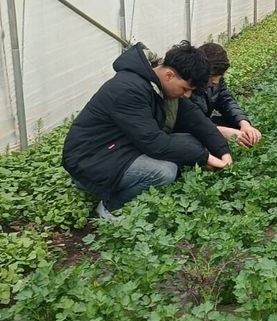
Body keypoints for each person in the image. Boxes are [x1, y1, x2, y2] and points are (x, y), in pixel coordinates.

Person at [62, 41, 232, 220]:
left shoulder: (157, 85)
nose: (187, 95)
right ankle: (110, 207)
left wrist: (223, 152)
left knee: (191, 141)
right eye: (185, 89)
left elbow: (197, 121)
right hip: (90, 160)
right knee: (164, 172)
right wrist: (204, 157)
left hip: (119, 147)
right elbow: (155, 143)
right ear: (169, 75)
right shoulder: (128, 89)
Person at [192, 43, 262, 147]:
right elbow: (189, 123)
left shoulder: (216, 81)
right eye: (212, 76)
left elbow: (226, 100)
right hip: (190, 130)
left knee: (239, 127)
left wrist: (243, 122)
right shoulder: (186, 88)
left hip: (205, 123)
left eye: (220, 76)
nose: (216, 81)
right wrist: (222, 132)